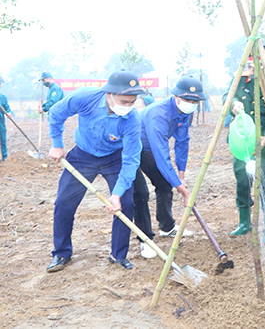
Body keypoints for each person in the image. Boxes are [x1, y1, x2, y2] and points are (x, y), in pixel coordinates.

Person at [46, 71, 146, 272]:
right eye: (124, 101)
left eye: (132, 102)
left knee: (125, 203)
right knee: (64, 203)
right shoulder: (85, 97)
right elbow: (56, 114)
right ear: (109, 94)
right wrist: (57, 145)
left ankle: (118, 255)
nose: (128, 106)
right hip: (82, 155)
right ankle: (61, 253)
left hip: (114, 159)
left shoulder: (132, 120)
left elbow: (131, 159)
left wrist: (116, 194)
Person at [132, 76, 203, 259]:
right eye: (187, 100)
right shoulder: (159, 113)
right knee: (140, 193)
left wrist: (180, 174)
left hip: (149, 149)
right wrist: (185, 192)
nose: (190, 104)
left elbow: (182, 142)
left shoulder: (184, 112)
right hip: (129, 150)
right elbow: (161, 154)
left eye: (194, 101)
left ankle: (167, 227)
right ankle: (145, 240)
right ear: (177, 96)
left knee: (165, 185)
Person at [226, 46, 265, 244]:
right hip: (241, 144)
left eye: (261, 67)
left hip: (264, 146)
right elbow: (229, 96)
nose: (255, 70)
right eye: (252, 67)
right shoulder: (240, 82)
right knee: (242, 180)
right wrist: (234, 104)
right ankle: (244, 221)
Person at [0, 76, 15, 161]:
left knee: (3, 140)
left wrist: (9, 113)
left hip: (1, 122)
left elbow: (7, 108)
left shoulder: (3, 98)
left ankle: (4, 158)